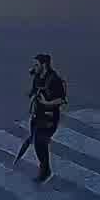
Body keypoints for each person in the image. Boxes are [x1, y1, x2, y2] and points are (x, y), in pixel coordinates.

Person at [28, 53, 68, 183]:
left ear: (44, 65)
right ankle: (44, 168)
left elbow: (61, 100)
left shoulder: (54, 79)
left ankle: (45, 170)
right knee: (38, 144)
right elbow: (34, 91)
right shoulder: (38, 77)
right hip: (37, 115)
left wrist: (47, 103)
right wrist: (33, 95)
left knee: (40, 142)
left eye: (36, 64)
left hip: (49, 118)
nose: (34, 67)